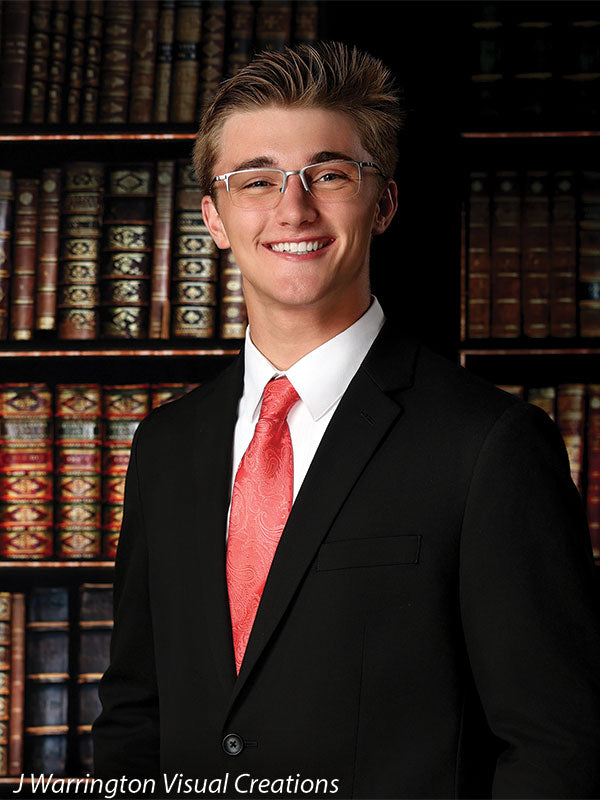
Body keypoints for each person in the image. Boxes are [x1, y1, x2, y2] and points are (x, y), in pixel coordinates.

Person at [92, 42, 600, 799]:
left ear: (385, 203)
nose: (293, 208)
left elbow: (559, 748)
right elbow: (136, 712)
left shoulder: (489, 446)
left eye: (329, 175)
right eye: (256, 181)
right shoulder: (167, 445)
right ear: (216, 219)